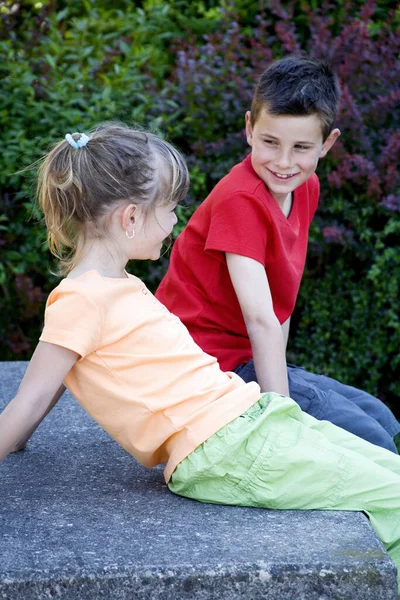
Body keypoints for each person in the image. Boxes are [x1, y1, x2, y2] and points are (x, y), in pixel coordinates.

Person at [1, 122, 400, 594]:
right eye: (169, 210)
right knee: (391, 499)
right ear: (130, 218)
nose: (175, 222)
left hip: (252, 420)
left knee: (390, 472)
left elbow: (55, 381)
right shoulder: (81, 300)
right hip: (224, 450)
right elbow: (33, 395)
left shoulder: (121, 287)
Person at [156, 55, 400, 453]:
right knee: (369, 439)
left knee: (381, 418)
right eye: (271, 142)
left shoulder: (305, 188)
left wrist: (283, 379)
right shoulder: (241, 199)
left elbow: (278, 305)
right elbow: (259, 318)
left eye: (301, 147)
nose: (284, 163)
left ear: (327, 144)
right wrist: (280, 413)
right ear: (250, 128)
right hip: (206, 363)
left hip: (246, 355)